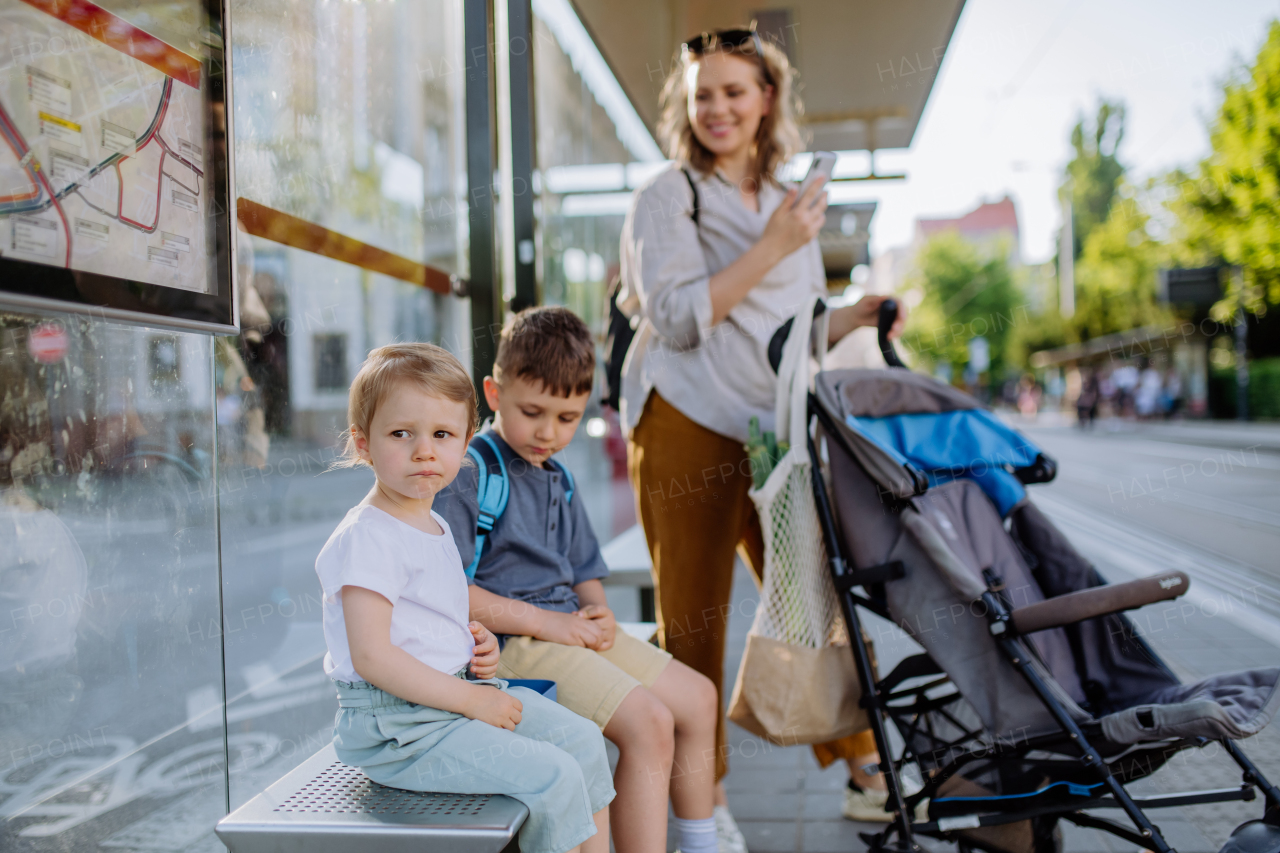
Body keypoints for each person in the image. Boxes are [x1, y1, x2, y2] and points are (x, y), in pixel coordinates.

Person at [617, 26, 906, 823]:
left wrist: (854, 315)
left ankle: (865, 768)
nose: (717, 108)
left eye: (734, 91)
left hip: (768, 429)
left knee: (814, 596)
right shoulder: (666, 196)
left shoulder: (790, 205)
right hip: (685, 417)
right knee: (693, 620)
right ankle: (698, 811)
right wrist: (776, 243)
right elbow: (677, 317)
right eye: (702, 93)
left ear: (766, 99)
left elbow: (797, 325)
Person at [436, 307, 727, 853]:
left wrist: (597, 612)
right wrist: (555, 624)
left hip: (566, 627)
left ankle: (703, 841)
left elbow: (583, 570)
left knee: (699, 697)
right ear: (494, 394)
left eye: (567, 418)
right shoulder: (473, 472)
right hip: (512, 642)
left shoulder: (558, 476)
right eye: (533, 411)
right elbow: (454, 595)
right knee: (648, 724)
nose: (549, 432)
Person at [315, 343, 614, 853]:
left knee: (583, 741)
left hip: (447, 700)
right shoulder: (368, 536)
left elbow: (427, 621)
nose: (424, 451)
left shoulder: (432, 523)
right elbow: (372, 655)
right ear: (363, 444)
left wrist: (475, 647)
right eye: (400, 434)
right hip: (398, 730)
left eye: (442, 435)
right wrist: (473, 699)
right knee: (553, 777)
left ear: (465, 443)